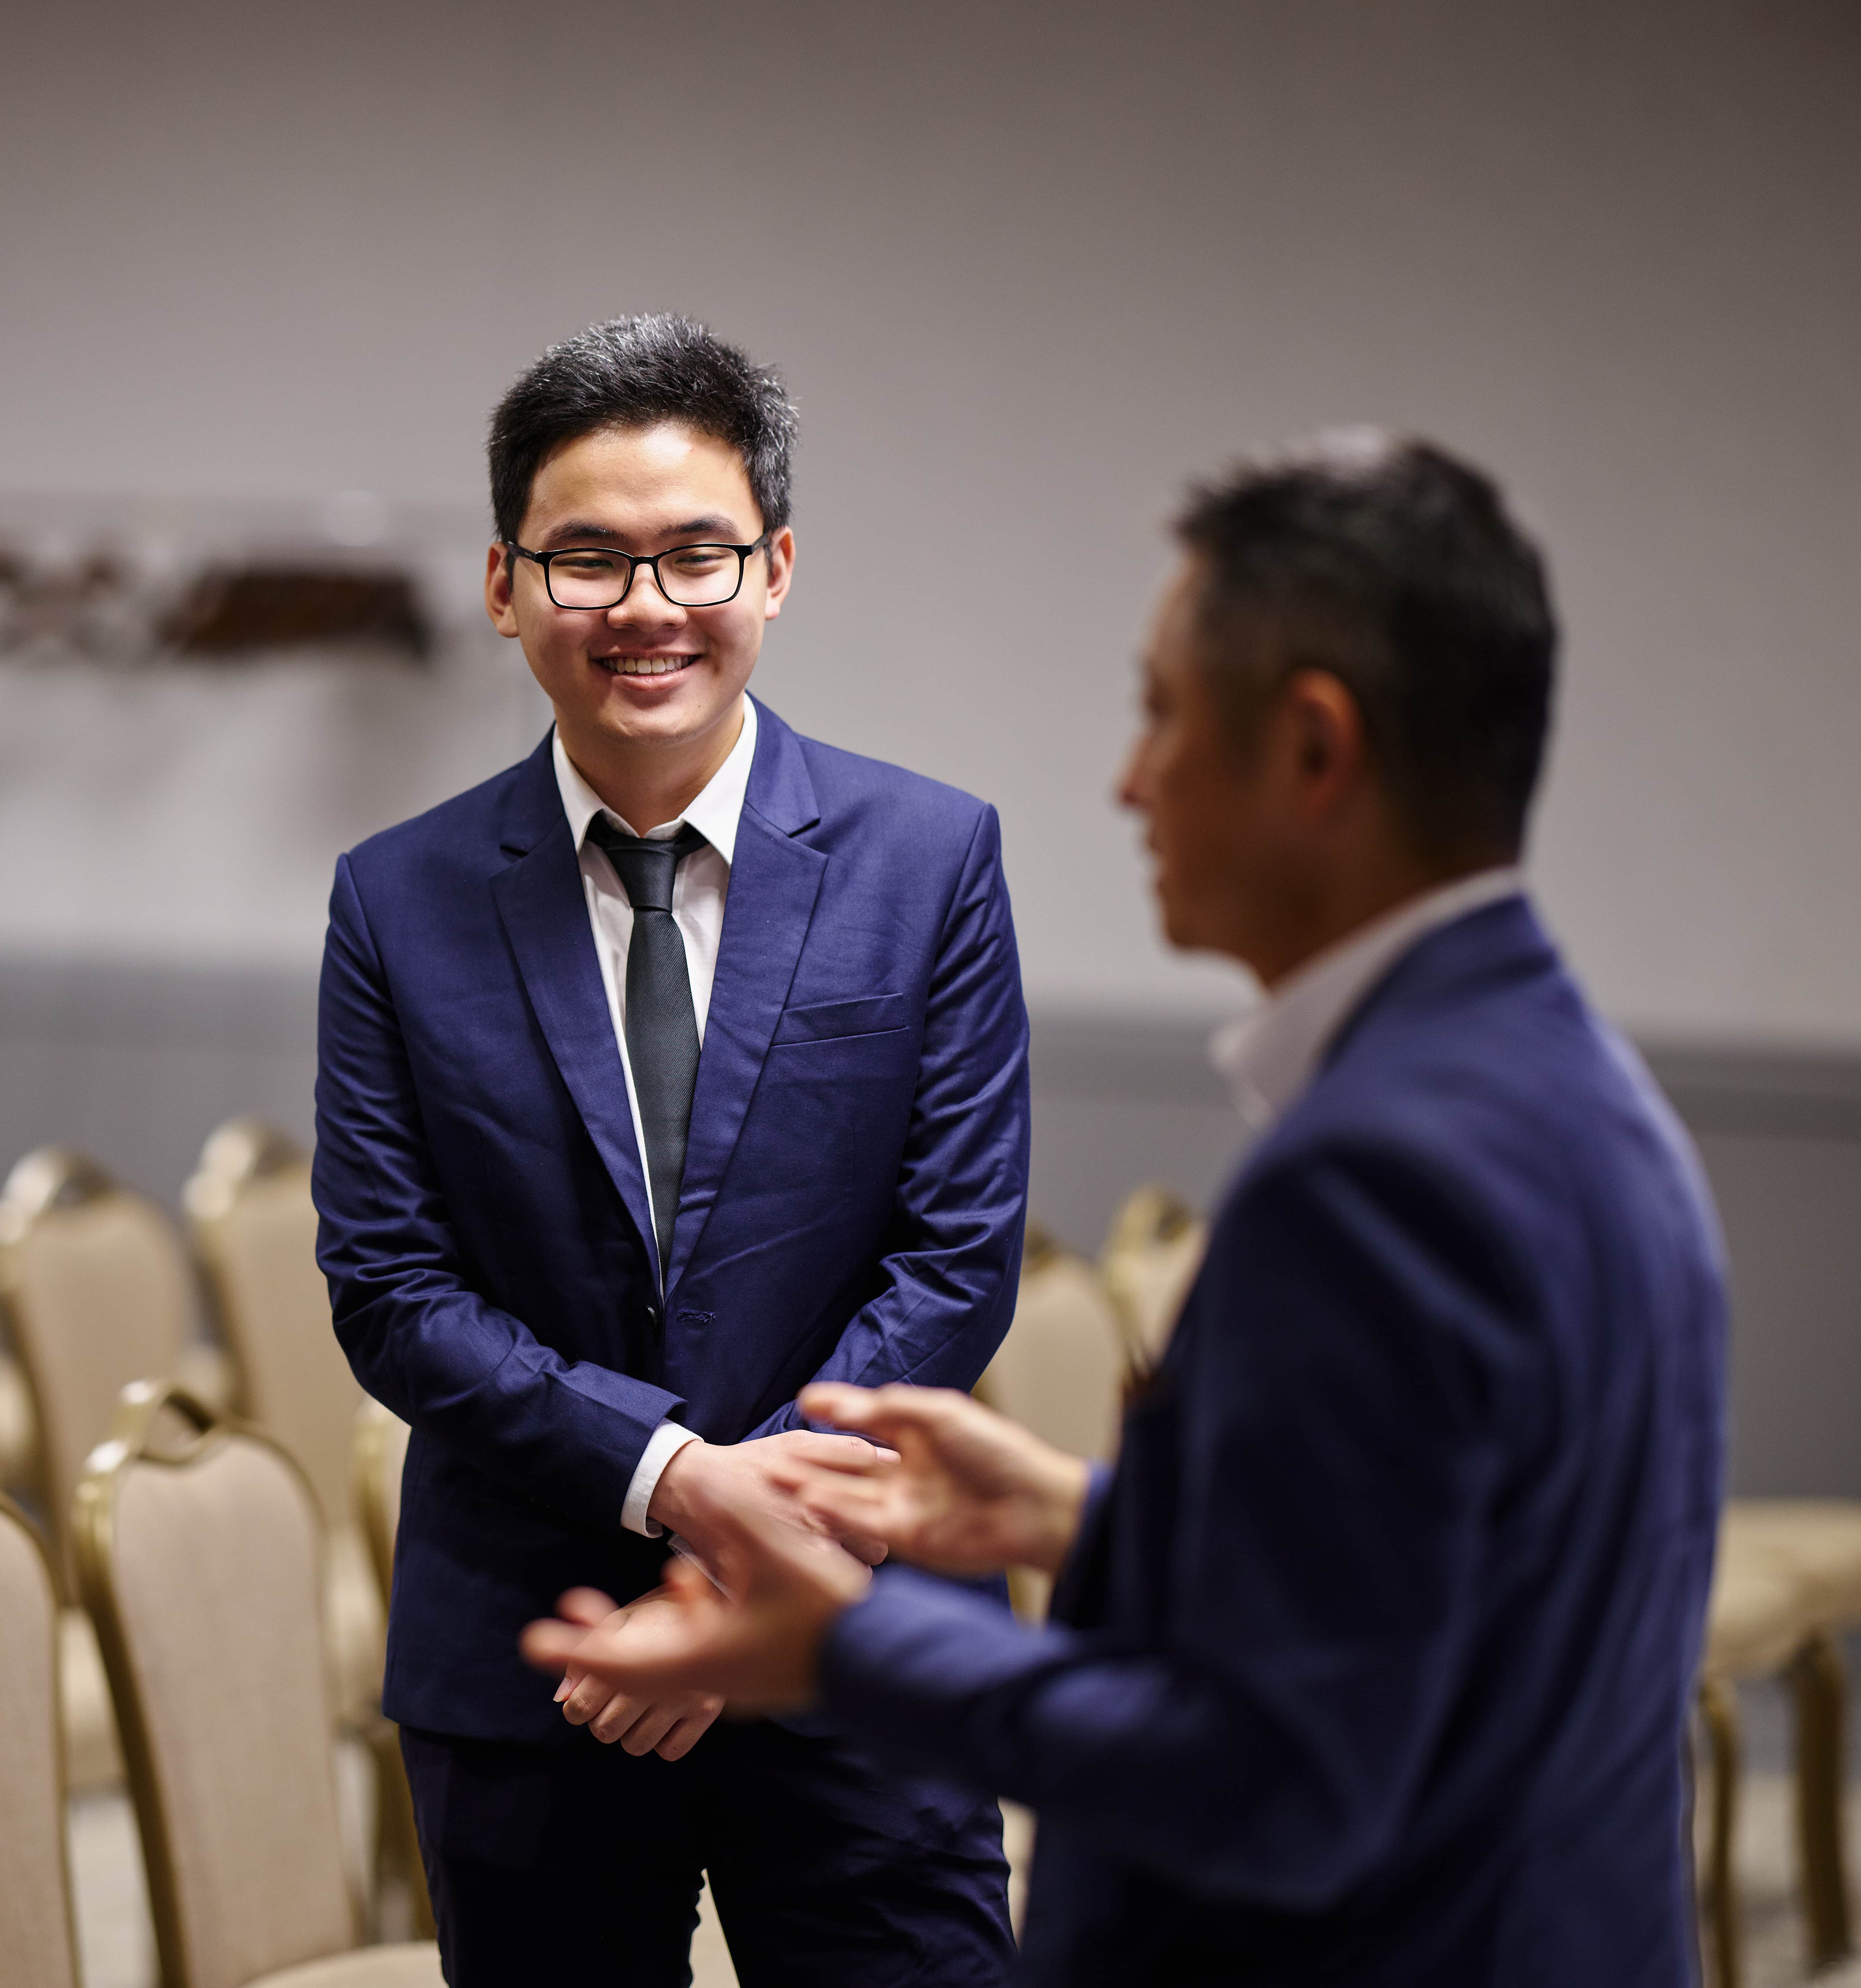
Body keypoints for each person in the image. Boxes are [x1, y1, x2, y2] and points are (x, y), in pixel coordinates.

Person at [525, 432, 1728, 1987]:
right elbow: (1441, 1601)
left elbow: (1279, 1780)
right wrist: (1092, 1520)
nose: (1128, 779)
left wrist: (840, 1646)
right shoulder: (1574, 1085)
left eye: (1163, 711)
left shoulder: (1378, 1177)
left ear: (1312, 750)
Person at [313, 314, 1029, 1983]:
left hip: (857, 1642)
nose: (645, 606)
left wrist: (732, 1573)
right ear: (503, 587)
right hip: (537, 1662)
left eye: (695, 553)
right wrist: (680, 1480)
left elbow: (951, 1260)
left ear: (773, 568)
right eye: (585, 559)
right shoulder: (395, 898)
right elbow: (391, 1288)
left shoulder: (927, 860)